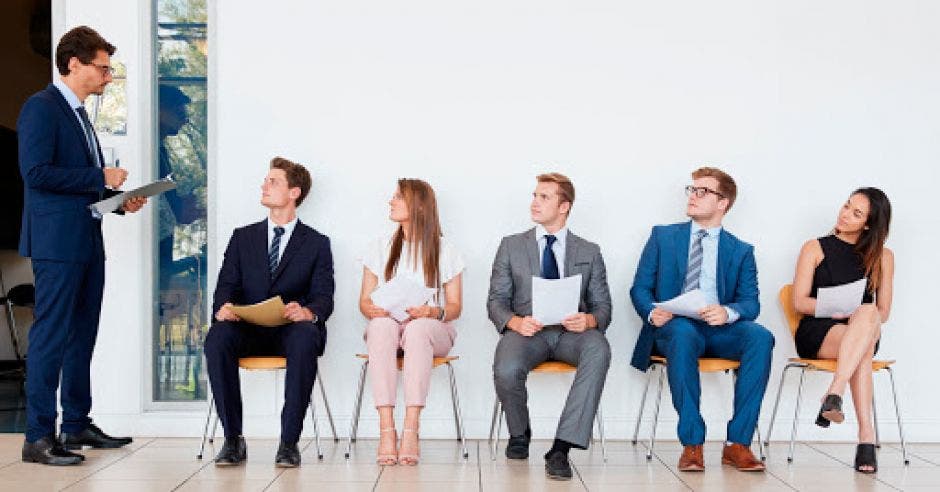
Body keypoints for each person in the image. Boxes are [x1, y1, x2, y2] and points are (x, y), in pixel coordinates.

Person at [18, 26, 147, 466]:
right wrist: (100, 177)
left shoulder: (80, 114)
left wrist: (116, 204)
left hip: (87, 239)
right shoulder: (41, 108)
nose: (108, 77)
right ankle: (38, 436)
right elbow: (36, 173)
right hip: (56, 244)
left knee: (82, 337)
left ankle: (75, 423)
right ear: (74, 63)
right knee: (51, 337)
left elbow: (74, 185)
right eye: (103, 68)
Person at [629, 167, 773, 472]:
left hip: (719, 331)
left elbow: (751, 303)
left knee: (760, 337)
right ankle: (692, 443)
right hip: (675, 327)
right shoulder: (663, 236)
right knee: (682, 332)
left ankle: (738, 444)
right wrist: (653, 312)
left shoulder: (741, 251)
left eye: (702, 191)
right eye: (692, 190)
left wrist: (727, 312)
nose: (693, 196)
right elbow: (640, 288)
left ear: (723, 203)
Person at [203, 157, 334, 468]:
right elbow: (226, 286)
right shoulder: (242, 237)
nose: (264, 185)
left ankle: (289, 443)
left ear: (294, 192)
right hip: (246, 329)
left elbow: (324, 297)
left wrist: (307, 312)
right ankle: (233, 439)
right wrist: (223, 309)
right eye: (265, 180)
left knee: (305, 338)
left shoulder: (317, 243)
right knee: (217, 338)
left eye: (273, 181)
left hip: (291, 331)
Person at [488, 172, 612, 481]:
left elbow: (603, 307)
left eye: (544, 197)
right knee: (506, 368)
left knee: (599, 348)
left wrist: (590, 320)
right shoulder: (511, 246)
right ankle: (519, 433)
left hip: (572, 335)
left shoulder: (589, 251)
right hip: (527, 333)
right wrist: (515, 322)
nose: (535, 202)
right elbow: (496, 301)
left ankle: (561, 448)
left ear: (564, 206)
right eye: (534, 195)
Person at [359, 178, 464, 466]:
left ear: (418, 206)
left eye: (398, 197)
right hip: (390, 324)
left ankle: (411, 429)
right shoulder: (380, 247)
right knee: (380, 326)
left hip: (431, 328)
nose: (390, 201)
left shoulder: (445, 249)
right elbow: (364, 301)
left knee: (417, 330)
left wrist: (432, 312)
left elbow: (455, 307)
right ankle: (387, 430)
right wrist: (374, 310)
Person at [791, 188, 893, 474]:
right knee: (860, 349)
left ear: (869, 224)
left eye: (856, 213)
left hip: (862, 329)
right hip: (820, 330)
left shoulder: (883, 257)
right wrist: (835, 310)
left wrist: (858, 314)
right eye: (847, 206)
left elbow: (883, 312)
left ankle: (835, 391)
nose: (845, 214)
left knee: (868, 313)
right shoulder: (814, 247)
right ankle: (866, 440)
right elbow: (799, 302)